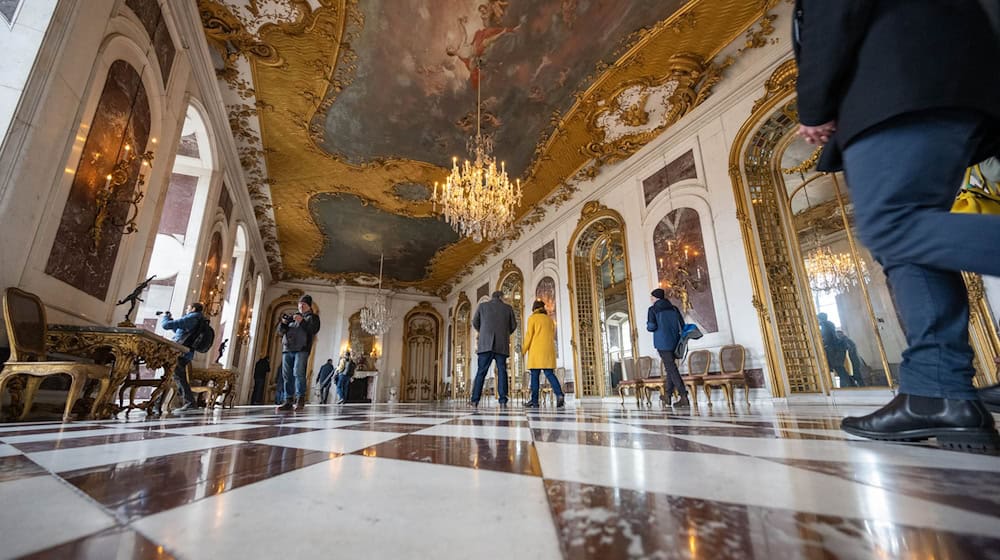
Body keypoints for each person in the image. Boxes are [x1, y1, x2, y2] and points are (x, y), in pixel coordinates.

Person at [795, 0, 1000, 450]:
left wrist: (812, 104)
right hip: (932, 77)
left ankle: (937, 388)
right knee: (906, 248)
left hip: (902, 81)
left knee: (893, 226)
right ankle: (937, 392)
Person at [470, 290, 517, 408]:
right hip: (501, 344)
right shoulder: (508, 308)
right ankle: (502, 400)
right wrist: (504, 333)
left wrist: (484, 331)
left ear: (492, 297)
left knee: (481, 372)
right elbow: (513, 325)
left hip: (485, 344)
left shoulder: (482, 306)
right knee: (502, 371)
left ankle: (475, 400)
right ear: (501, 297)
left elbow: (475, 322)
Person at [276, 295, 321, 412]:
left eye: (304, 304)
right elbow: (280, 332)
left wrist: (302, 322)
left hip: (302, 349)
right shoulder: (292, 317)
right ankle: (288, 400)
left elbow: (313, 330)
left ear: (309, 306)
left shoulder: (313, 318)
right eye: (299, 304)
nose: (301, 306)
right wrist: (283, 323)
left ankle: (300, 399)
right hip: (287, 349)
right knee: (286, 376)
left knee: (298, 373)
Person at [159, 302, 206, 413]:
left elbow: (165, 325)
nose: (186, 309)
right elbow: (180, 332)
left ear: (193, 309)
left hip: (181, 352)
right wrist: (172, 321)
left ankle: (189, 402)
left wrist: (166, 317)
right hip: (184, 352)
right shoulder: (197, 319)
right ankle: (158, 402)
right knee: (175, 377)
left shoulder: (192, 317)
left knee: (178, 377)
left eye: (188, 307)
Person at [646, 289, 688, 407]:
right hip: (675, 341)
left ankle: (683, 395)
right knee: (670, 368)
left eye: (651, 297)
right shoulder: (673, 308)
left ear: (655, 298)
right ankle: (667, 396)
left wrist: (650, 325)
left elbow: (651, 327)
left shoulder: (653, 309)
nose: (651, 299)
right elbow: (682, 324)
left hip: (663, 342)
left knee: (671, 368)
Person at [522, 300, 565, 408]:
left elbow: (529, 336)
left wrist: (523, 350)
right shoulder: (550, 320)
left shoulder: (532, 318)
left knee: (535, 376)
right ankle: (559, 395)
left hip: (536, 352)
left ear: (534, 309)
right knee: (550, 374)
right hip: (548, 351)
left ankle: (535, 401)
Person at [818, 313, 852, 388]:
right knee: (839, 369)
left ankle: (845, 387)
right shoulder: (829, 324)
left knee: (839, 369)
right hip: (835, 350)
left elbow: (826, 338)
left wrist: (822, 343)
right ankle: (848, 385)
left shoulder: (825, 324)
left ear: (820, 319)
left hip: (833, 351)